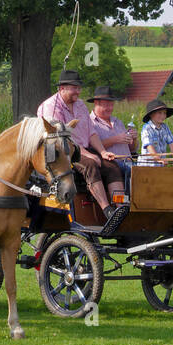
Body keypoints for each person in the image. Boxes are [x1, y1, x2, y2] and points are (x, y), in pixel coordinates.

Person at [37, 70, 128, 235]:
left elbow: (91, 133)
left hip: (83, 148)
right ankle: (107, 210)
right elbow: (60, 139)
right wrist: (87, 154)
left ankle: (120, 210)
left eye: (79, 88)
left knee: (112, 166)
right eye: (74, 88)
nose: (78, 92)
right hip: (61, 152)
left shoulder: (80, 105)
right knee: (91, 165)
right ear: (62, 88)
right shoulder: (51, 107)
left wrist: (102, 151)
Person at [86, 87, 136, 189]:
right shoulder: (90, 122)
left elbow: (132, 149)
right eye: (106, 105)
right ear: (96, 103)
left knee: (150, 169)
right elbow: (90, 146)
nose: (110, 108)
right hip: (111, 164)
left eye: (111, 104)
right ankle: (130, 202)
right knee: (137, 172)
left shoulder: (118, 121)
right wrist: (115, 139)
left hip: (129, 162)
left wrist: (133, 139)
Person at [139, 97, 173, 165]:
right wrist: (158, 158)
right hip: (147, 165)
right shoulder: (146, 128)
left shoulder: (165, 127)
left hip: (161, 164)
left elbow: (172, 142)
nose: (163, 116)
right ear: (151, 115)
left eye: (164, 113)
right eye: (160, 113)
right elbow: (149, 145)